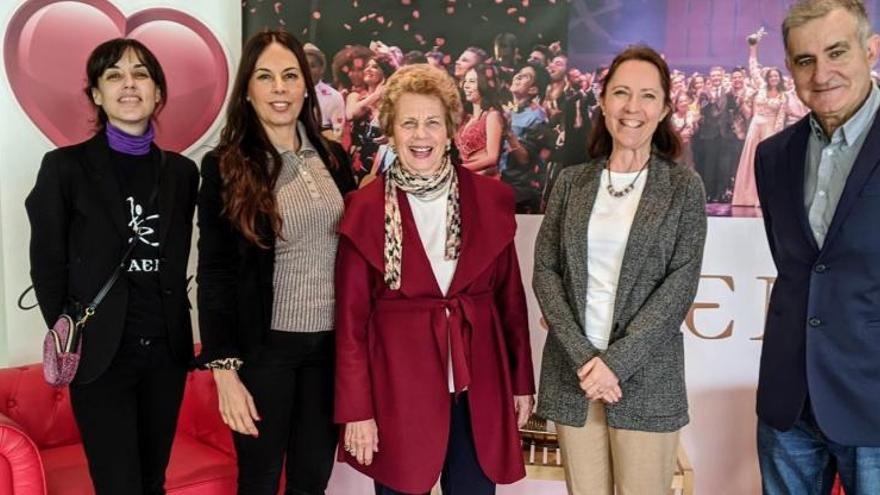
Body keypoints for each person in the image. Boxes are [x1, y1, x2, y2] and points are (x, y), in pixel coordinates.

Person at [334, 63, 535, 495]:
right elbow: (351, 323)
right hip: (398, 391)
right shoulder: (364, 209)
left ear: (450, 130)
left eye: (431, 122)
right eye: (408, 123)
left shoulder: (491, 199)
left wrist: (521, 385)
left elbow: (511, 303)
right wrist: (356, 410)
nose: (420, 135)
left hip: (479, 387)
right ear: (391, 131)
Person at [25, 38, 198, 494]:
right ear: (97, 95)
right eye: (114, 75)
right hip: (102, 354)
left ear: (158, 92)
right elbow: (46, 261)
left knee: (153, 481)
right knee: (118, 484)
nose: (129, 84)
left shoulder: (182, 173)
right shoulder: (65, 168)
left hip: (165, 350)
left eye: (141, 74)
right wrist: (71, 328)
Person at [533, 45, 707, 495]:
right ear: (604, 102)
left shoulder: (684, 187)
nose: (633, 107)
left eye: (648, 96)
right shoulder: (573, 182)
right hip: (576, 377)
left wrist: (615, 364)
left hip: (647, 379)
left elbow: (679, 285)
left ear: (665, 107)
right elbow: (546, 272)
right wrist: (588, 361)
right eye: (621, 93)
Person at [196, 30, 356, 494]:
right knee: (261, 478)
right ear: (247, 89)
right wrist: (224, 373)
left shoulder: (334, 157)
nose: (280, 89)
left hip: (329, 347)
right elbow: (215, 273)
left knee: (312, 478)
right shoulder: (226, 165)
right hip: (264, 349)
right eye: (265, 77)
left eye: (290, 76)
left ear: (307, 85)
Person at [754, 1, 880, 493]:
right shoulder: (773, 156)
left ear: (870, 50)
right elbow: (798, 268)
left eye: (836, 52)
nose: (821, 73)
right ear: (789, 67)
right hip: (788, 406)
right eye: (805, 60)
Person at [732, 37, 788, 207]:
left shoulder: (783, 96)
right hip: (756, 126)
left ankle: (763, 198)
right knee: (751, 159)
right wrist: (753, 47)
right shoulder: (760, 87)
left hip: (770, 129)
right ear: (767, 77)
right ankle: (746, 197)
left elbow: (780, 118)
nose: (773, 78)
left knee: (767, 162)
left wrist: (776, 136)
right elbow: (753, 66)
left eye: (776, 76)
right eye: (771, 76)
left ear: (779, 79)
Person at [501, 61, 551, 213]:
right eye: (519, 73)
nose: (517, 76)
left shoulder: (537, 117)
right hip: (497, 184)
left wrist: (508, 133)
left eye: (525, 77)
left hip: (518, 193)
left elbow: (524, 159)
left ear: (533, 89)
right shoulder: (505, 108)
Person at [346, 54, 395, 184]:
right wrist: (376, 95)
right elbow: (351, 114)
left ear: (384, 73)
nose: (368, 69)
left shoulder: (390, 103)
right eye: (367, 66)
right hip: (356, 160)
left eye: (375, 67)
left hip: (380, 161)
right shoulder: (355, 96)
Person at [456, 64, 505, 177]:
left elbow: (492, 158)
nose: (466, 86)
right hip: (467, 178)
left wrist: (457, 170)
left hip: (484, 180)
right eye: (466, 81)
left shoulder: (492, 116)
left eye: (472, 81)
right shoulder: (467, 118)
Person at [304, 43, 346, 142]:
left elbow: (337, 133)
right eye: (303, 65)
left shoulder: (334, 96)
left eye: (312, 66)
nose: (307, 70)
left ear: (322, 69)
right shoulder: (289, 93)